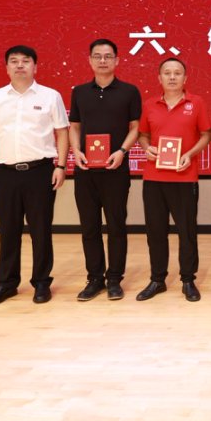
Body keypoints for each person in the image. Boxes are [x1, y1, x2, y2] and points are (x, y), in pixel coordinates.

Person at [0, 45, 69, 307]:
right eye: (14, 61)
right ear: (6, 68)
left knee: (41, 230)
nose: (20, 65)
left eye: (26, 61)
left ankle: (41, 282)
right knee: (8, 230)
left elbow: (62, 132)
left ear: (35, 66)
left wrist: (60, 166)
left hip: (40, 172)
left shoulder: (50, 96)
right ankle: (6, 284)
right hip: (5, 174)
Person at [68, 38, 141, 302]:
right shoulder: (79, 92)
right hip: (86, 170)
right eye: (97, 56)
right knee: (89, 226)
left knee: (116, 225)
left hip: (115, 169)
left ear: (117, 60)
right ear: (90, 60)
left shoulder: (129, 91)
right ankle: (94, 278)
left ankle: (114, 279)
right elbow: (74, 126)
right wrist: (76, 151)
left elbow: (135, 127)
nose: (102, 60)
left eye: (108, 56)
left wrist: (121, 151)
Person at [135, 58, 211, 302]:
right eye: (167, 73)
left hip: (184, 177)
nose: (172, 77)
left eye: (177, 73)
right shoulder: (149, 104)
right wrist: (147, 147)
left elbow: (206, 135)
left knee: (186, 231)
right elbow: (142, 135)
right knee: (155, 231)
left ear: (185, 78)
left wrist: (190, 154)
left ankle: (188, 280)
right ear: (159, 78)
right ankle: (157, 279)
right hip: (154, 178)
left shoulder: (196, 103)